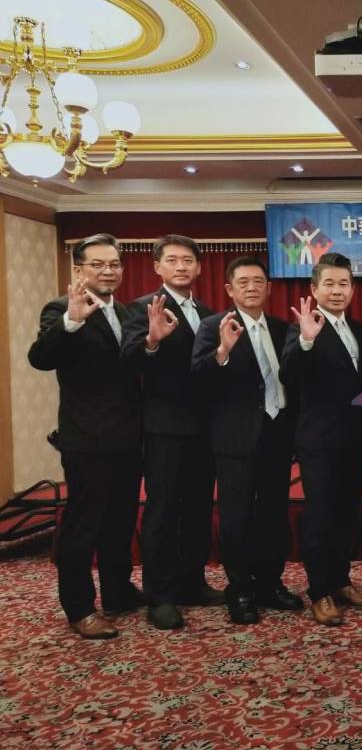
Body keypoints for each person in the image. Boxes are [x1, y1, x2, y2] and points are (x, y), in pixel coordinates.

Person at [28, 233, 143, 639]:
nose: (108, 271)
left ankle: (117, 591)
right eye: (98, 264)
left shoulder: (126, 313)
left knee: (120, 521)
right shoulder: (61, 309)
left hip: (128, 437)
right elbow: (40, 358)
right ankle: (79, 607)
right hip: (87, 439)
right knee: (83, 526)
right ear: (79, 269)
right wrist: (71, 322)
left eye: (114, 264)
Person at [191, 256, 302, 624]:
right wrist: (222, 351)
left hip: (277, 435)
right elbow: (199, 378)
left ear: (269, 288)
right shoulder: (213, 326)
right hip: (235, 440)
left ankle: (270, 583)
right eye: (243, 282)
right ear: (229, 289)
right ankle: (240, 590)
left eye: (258, 281)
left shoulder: (282, 327)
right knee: (236, 517)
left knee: (273, 514)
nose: (252, 288)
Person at [122, 234, 223, 631]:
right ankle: (160, 595)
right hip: (164, 428)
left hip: (204, 428)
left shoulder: (209, 313)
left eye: (188, 260)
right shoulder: (141, 308)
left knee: (198, 508)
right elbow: (129, 361)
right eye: (173, 260)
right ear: (157, 267)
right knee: (162, 511)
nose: (181, 266)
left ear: (199, 267)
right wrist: (151, 340)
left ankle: (191, 582)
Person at [280, 252, 362, 627]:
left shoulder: (359, 330)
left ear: (352, 289)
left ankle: (340, 582)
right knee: (320, 517)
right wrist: (306, 340)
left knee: (345, 514)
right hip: (318, 441)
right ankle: (320, 591)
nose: (337, 291)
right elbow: (289, 374)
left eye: (343, 284)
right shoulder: (302, 328)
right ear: (314, 288)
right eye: (329, 284)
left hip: (353, 439)